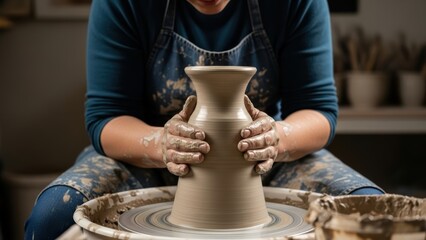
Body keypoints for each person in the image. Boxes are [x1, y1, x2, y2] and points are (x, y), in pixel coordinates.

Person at [25, 0, 384, 239]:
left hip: (263, 156)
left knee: (368, 212)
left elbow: (319, 109)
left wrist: (278, 138)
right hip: (141, 155)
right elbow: (105, 117)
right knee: (54, 217)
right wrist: (160, 145)